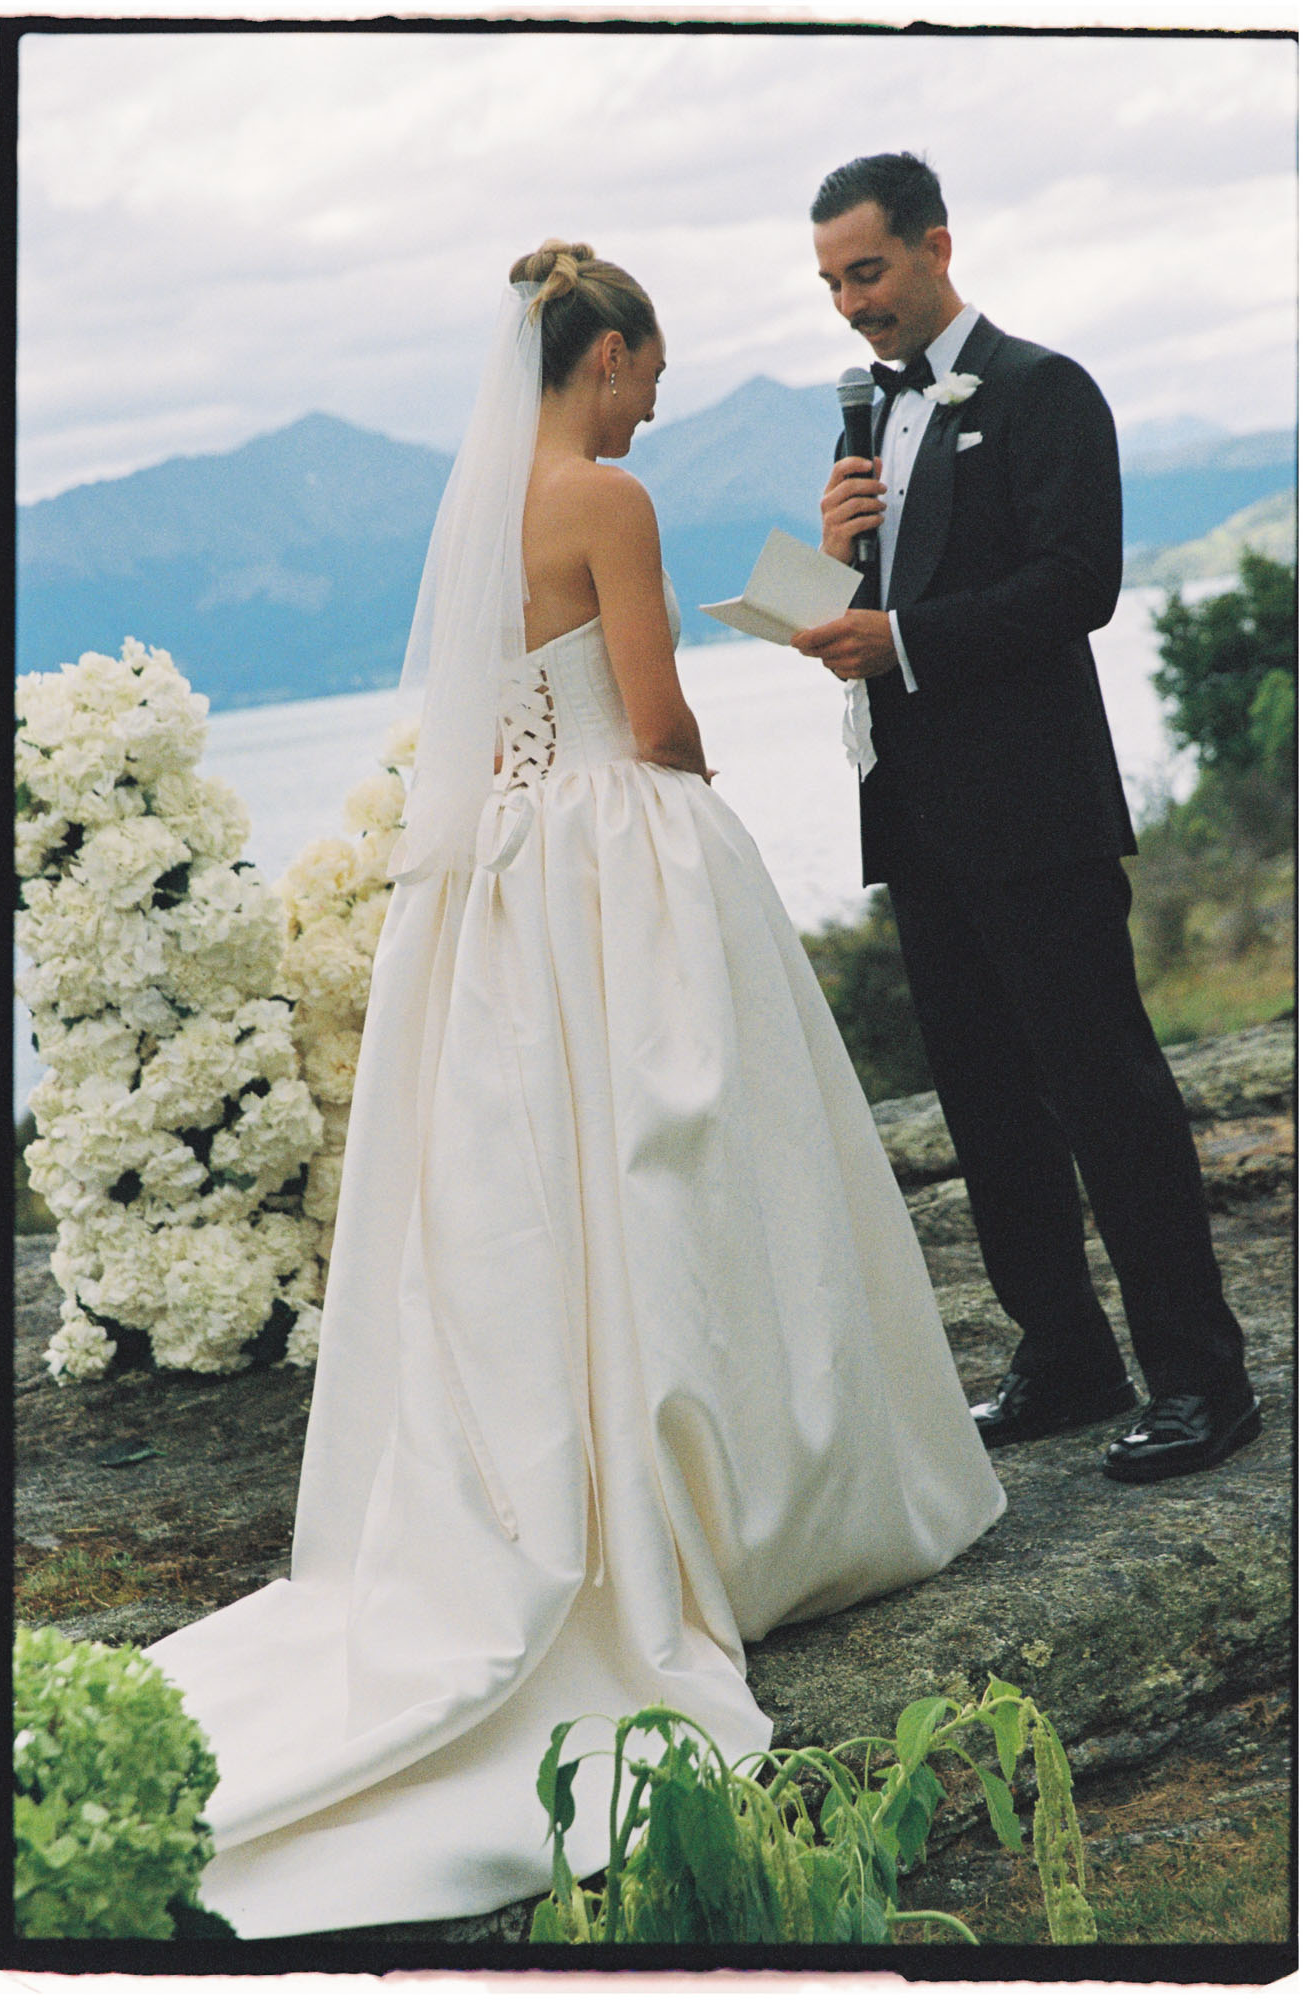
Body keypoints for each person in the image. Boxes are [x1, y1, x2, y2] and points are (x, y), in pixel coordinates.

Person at [146, 241, 1004, 1938]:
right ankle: (739, 1503)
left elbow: (495, 728)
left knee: (553, 1189)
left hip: (509, 885)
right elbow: (659, 716)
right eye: (652, 376)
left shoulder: (479, 508)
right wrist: (707, 771)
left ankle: (599, 1495)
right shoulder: (605, 498)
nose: (654, 408)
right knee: (692, 1164)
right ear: (603, 356)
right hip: (621, 854)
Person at [791, 152, 1259, 1485]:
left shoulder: (1047, 390)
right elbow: (869, 611)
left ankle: (1202, 1380)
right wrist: (829, 562)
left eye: (867, 271)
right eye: (831, 284)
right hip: (918, 816)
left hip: (1039, 812)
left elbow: (1078, 585)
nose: (852, 304)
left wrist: (903, 640)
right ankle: (1066, 1357)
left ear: (936, 246)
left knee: (1108, 1096)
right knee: (986, 1105)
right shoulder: (863, 420)